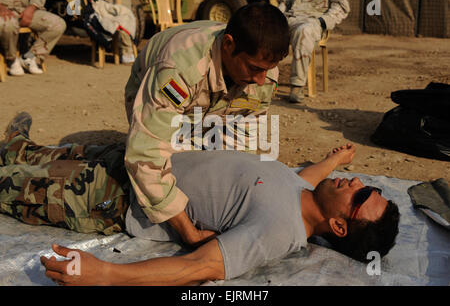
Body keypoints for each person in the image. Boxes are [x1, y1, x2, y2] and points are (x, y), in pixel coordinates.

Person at [0, 112, 400, 285]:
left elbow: (197, 268)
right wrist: (336, 161)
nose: (359, 181)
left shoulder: (278, 230)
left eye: (362, 194)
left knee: (11, 185)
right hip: (141, 166)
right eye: (369, 186)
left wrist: (106, 275)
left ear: (339, 226)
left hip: (109, 197)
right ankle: (17, 145)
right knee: (42, 154)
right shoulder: (304, 192)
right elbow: (306, 176)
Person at [123, 2, 290, 247]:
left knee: (219, 168)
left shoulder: (262, 74)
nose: (260, 80)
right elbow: (145, 153)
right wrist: (187, 229)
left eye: (268, 70)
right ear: (229, 44)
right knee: (178, 169)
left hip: (213, 100)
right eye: (255, 68)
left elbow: (246, 138)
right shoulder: (179, 69)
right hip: (154, 88)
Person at [277, 0, 350, 103]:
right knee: (266, 31)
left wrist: (322, 21)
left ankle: (297, 86)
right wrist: (276, 16)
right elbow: (284, 2)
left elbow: (340, 7)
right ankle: (260, 81)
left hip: (314, 22)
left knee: (303, 32)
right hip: (290, 18)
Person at [0, 0, 66, 75]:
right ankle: (12, 59)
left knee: (58, 24)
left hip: (25, 11)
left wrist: (30, 9)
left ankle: (28, 58)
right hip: (4, 13)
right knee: (8, 25)